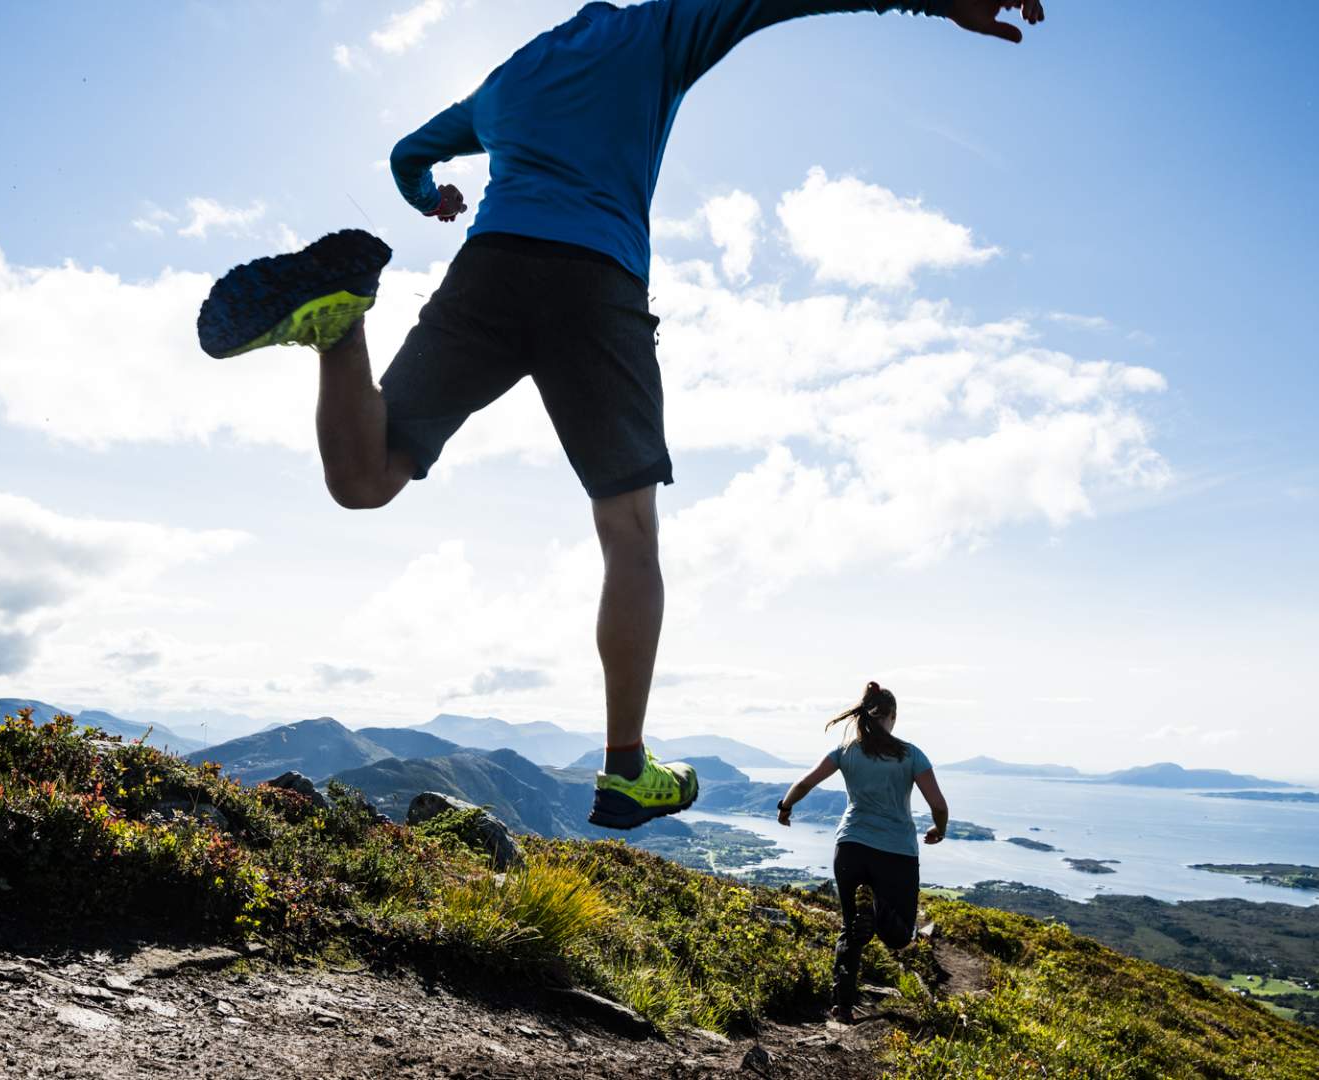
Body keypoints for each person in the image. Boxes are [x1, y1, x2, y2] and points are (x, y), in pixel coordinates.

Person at [195, 1, 1045, 830]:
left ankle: (341, 329)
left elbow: (405, 154)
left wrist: (430, 200)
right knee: (628, 531)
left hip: (488, 270)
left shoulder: (509, 77)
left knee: (364, 478)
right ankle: (625, 769)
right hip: (596, 285)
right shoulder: (659, 28)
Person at [776, 682, 949, 1019]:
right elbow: (939, 805)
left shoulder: (846, 751)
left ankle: (842, 1005)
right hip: (896, 852)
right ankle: (879, 911)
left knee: (851, 929)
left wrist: (785, 807)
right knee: (899, 936)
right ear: (893, 717)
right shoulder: (911, 754)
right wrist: (938, 830)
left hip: (850, 847)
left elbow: (805, 782)